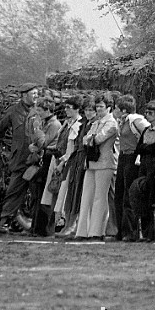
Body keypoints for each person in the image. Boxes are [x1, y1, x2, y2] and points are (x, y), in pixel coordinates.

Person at [0, 83, 41, 234]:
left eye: (36, 93)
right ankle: (4, 223)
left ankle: (38, 226)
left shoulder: (40, 110)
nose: (36, 96)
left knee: (37, 194)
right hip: (20, 160)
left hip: (38, 159)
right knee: (13, 191)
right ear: (24, 95)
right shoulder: (13, 111)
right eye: (33, 93)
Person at [74, 96, 119, 241]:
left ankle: (96, 231)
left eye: (101, 107)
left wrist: (91, 138)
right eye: (97, 107)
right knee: (86, 196)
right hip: (92, 162)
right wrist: (91, 138)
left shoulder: (111, 123)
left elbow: (98, 139)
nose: (98, 109)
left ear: (109, 107)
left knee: (100, 197)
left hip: (105, 163)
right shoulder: (97, 122)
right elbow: (84, 139)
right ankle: (83, 231)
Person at [55, 96, 95, 238]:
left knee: (77, 193)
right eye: (86, 110)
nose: (88, 113)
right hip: (74, 161)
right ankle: (68, 224)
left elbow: (77, 146)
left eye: (91, 110)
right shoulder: (81, 124)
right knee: (70, 193)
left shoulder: (83, 124)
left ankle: (73, 225)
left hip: (82, 160)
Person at [113, 95, 150, 241]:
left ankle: (131, 231)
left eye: (116, 108)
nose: (114, 111)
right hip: (123, 156)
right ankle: (121, 230)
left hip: (132, 157)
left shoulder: (135, 119)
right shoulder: (122, 121)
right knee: (119, 194)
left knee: (129, 194)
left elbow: (148, 131)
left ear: (123, 110)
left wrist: (141, 150)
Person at [30, 98, 62, 236]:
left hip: (49, 160)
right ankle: (36, 227)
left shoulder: (54, 124)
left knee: (45, 195)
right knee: (37, 195)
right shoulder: (46, 123)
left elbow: (43, 142)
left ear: (48, 110)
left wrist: (37, 130)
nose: (38, 113)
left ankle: (44, 229)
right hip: (43, 159)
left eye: (40, 110)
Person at [135, 100, 155, 241]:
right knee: (142, 196)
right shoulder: (147, 130)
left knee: (152, 198)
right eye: (146, 113)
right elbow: (139, 147)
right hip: (144, 165)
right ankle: (145, 232)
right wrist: (147, 147)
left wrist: (146, 147)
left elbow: (154, 148)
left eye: (150, 113)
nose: (147, 115)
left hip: (154, 165)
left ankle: (153, 232)